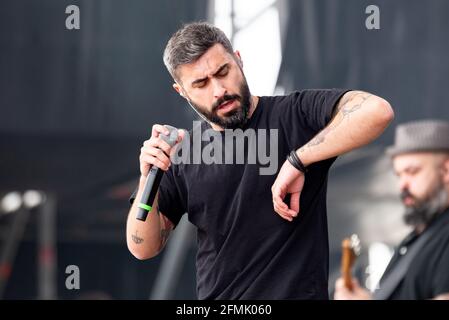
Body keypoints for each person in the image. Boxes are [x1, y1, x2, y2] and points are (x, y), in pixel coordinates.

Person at [126, 22, 394, 299]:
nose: (219, 90)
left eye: (223, 71)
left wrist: (298, 159)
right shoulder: (183, 152)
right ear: (181, 91)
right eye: (201, 83)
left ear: (238, 60)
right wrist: (148, 178)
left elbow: (377, 112)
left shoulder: (294, 115)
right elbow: (142, 247)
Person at [334, 119, 449, 300]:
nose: (402, 185)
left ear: (446, 170)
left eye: (412, 171)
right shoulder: (416, 239)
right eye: (399, 175)